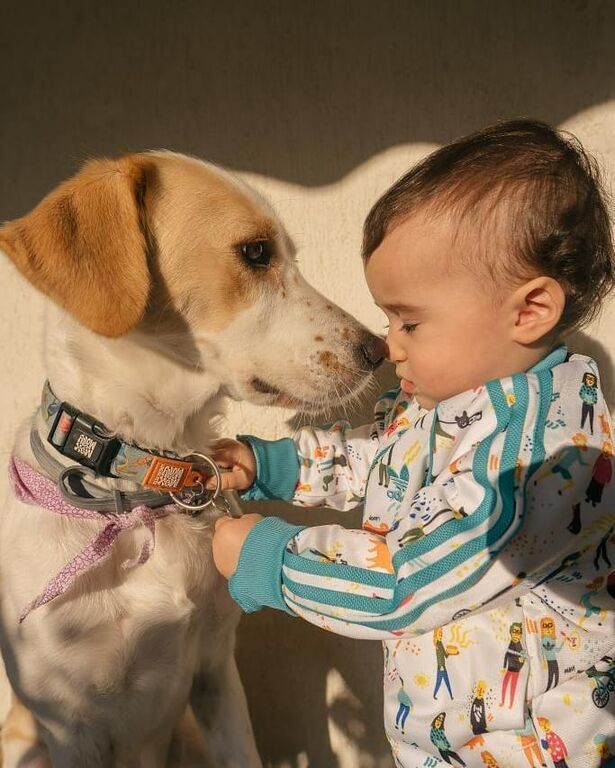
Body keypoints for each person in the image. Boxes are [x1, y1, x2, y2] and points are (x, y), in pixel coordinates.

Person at [211, 120, 615, 766]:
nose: (388, 344)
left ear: (529, 310)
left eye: (409, 321)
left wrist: (272, 559)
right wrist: (271, 466)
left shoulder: (541, 457)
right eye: (387, 318)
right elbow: (381, 461)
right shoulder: (448, 403)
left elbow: (406, 581)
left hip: (529, 751)